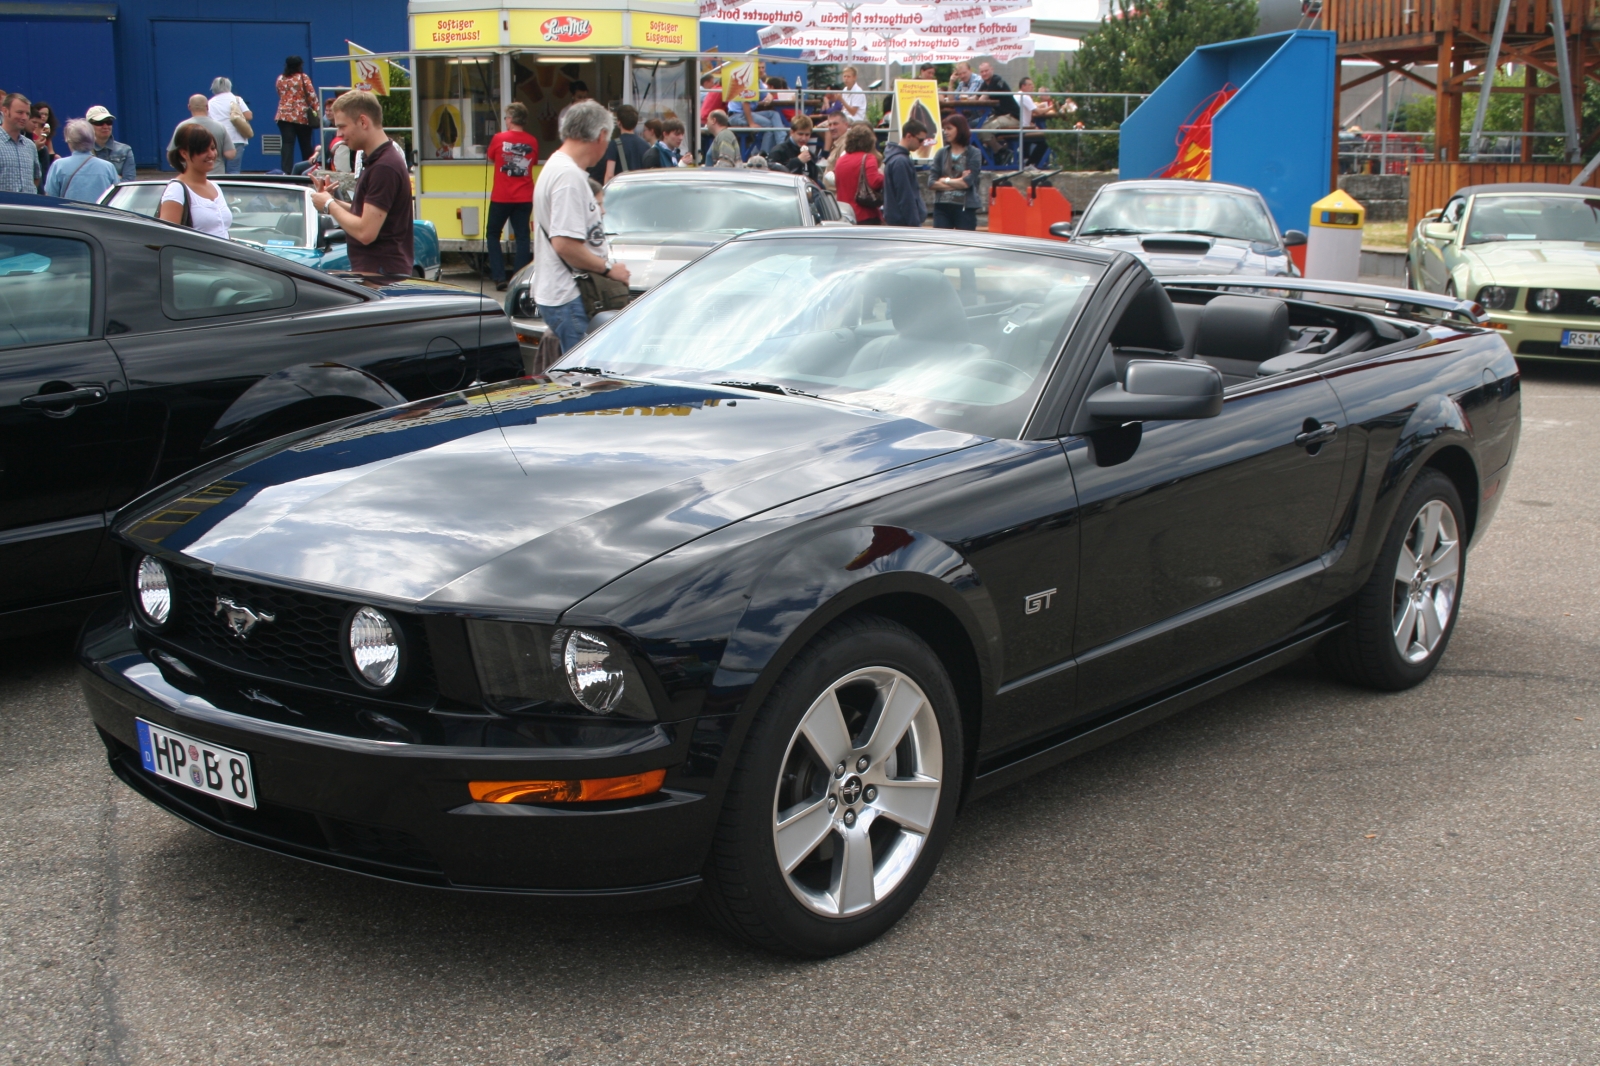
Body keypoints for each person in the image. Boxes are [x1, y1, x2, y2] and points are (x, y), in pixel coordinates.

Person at [531, 99, 630, 352]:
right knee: (582, 380)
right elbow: (564, 244)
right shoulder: (568, 176)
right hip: (571, 295)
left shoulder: (557, 167)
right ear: (601, 135)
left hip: (563, 293)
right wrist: (609, 269)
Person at [311, 90, 413, 276]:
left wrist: (329, 204)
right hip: (379, 273)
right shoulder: (375, 160)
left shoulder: (384, 167)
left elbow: (366, 232)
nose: (339, 134)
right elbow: (370, 214)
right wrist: (331, 201)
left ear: (363, 122)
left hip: (382, 277)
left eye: (342, 126)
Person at [485, 102, 538, 291]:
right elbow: (533, 161)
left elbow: (491, 157)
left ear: (511, 119)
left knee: (492, 234)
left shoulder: (499, 139)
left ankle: (499, 277)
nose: (505, 120)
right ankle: (518, 277)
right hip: (524, 196)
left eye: (507, 117)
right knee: (523, 237)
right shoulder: (532, 141)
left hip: (501, 196)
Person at [158, 124, 231, 239]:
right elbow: (167, 238)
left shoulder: (215, 186)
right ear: (184, 153)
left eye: (212, 148)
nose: (211, 154)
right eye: (203, 150)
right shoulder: (177, 189)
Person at [43, 119, 118, 202]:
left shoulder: (58, 166)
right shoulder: (108, 167)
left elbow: (50, 199)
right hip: (100, 214)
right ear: (92, 139)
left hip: (69, 214)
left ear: (69, 141)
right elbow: (116, 199)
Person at [929, 113, 981, 230]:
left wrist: (945, 180)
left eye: (949, 128)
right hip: (942, 207)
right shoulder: (941, 153)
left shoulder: (974, 153)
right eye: (944, 129)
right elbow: (931, 183)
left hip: (965, 207)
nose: (945, 132)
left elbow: (967, 183)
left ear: (960, 129)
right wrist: (958, 182)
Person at [168, 95, 235, 174]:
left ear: (189, 107)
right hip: (216, 174)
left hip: (191, 175)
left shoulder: (182, 127)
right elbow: (230, 154)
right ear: (207, 106)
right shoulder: (220, 127)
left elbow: (171, 154)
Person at [833, 122, 884, 224]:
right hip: (865, 214)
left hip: (845, 214)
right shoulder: (868, 158)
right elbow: (874, 182)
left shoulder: (840, 160)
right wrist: (883, 175)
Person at [882, 119, 928, 228]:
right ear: (909, 136)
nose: (922, 144)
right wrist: (915, 224)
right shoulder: (900, 161)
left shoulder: (895, 158)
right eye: (920, 140)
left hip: (897, 221)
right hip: (903, 223)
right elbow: (906, 196)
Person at [275, 57, 318, 174]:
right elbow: (311, 95)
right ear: (300, 65)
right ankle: (308, 171)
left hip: (283, 115)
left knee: (287, 144)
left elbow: (280, 93)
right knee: (305, 144)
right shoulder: (303, 78)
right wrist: (316, 110)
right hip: (301, 116)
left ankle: (286, 172)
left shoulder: (281, 78)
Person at [974, 61, 1020, 164]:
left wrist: (972, 101)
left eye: (986, 71)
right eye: (982, 72)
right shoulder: (985, 83)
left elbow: (982, 99)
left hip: (1012, 117)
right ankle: (1001, 152)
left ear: (992, 70)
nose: (984, 73)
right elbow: (976, 97)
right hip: (1000, 115)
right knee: (976, 130)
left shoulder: (996, 80)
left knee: (983, 131)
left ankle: (1001, 153)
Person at [207, 77, 252, 174]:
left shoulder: (210, 103)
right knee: (234, 169)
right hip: (236, 138)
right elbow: (248, 115)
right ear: (229, 86)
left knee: (217, 167)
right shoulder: (237, 100)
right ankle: (233, 188)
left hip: (217, 139)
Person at [597, 104, 649, 184]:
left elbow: (609, 175)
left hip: (623, 191)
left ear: (619, 122)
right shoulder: (646, 145)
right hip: (640, 190)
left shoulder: (614, 144)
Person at [0, 94, 40, 193]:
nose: (24, 117)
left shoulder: (30, 146)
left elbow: (36, 177)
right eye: (20, 112)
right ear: (5, 111)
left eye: (27, 114)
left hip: (27, 207)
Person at [86, 106, 136, 181]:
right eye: (100, 123)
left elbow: (129, 183)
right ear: (88, 126)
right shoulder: (84, 151)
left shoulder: (125, 150)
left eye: (109, 122)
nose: (105, 126)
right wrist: (115, 177)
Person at [1017, 76, 1055, 169]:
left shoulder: (1016, 95)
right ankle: (1031, 163)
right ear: (1023, 86)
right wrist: (1053, 107)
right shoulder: (1025, 96)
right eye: (1030, 85)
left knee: (1036, 132)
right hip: (1023, 129)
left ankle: (1026, 160)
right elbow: (1038, 112)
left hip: (1019, 127)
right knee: (1047, 139)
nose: (1032, 87)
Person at [767, 115, 818, 182]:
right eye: (800, 134)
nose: (804, 138)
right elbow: (773, 177)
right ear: (792, 132)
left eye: (807, 135)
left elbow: (814, 180)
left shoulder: (810, 155)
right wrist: (797, 161)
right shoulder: (778, 151)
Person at [29, 102, 58, 176]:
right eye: (41, 114)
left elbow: (51, 151)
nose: (44, 116)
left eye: (46, 114)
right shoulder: (30, 130)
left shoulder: (46, 130)